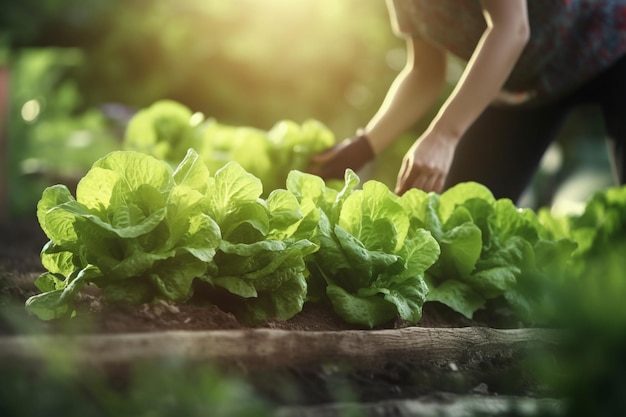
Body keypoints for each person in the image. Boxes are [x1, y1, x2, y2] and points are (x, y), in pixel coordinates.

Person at [308, 0, 626, 204]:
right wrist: (365, 146)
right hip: (525, 87)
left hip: (612, 41)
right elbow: (425, 71)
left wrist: (444, 135)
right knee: (461, 218)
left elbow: (512, 28)